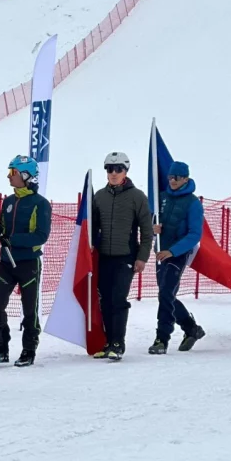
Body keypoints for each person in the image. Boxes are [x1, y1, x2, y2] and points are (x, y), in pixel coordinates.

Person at [0, 155, 52, 367]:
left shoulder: (40, 204)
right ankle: (1, 348)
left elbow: (41, 236)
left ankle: (28, 350)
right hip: (6, 263)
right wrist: (0, 231)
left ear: (26, 176)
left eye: (13, 173)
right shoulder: (8, 201)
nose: (9, 177)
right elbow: (5, 231)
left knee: (29, 310)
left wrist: (11, 239)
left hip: (28, 263)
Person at [92, 152, 153, 361]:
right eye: (110, 169)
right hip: (104, 258)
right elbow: (91, 229)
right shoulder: (99, 196)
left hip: (125, 257)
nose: (114, 173)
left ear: (126, 171)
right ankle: (107, 341)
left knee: (118, 300)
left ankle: (118, 342)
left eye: (118, 169)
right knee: (105, 301)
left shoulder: (137, 197)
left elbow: (147, 231)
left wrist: (142, 257)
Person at [148, 161, 206, 354]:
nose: (172, 181)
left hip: (177, 255)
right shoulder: (160, 198)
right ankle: (191, 328)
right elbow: (150, 221)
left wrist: (173, 251)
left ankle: (161, 339)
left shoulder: (193, 203)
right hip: (160, 252)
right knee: (166, 295)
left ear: (186, 179)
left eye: (177, 178)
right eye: (170, 177)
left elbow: (194, 234)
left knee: (165, 294)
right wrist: (152, 227)